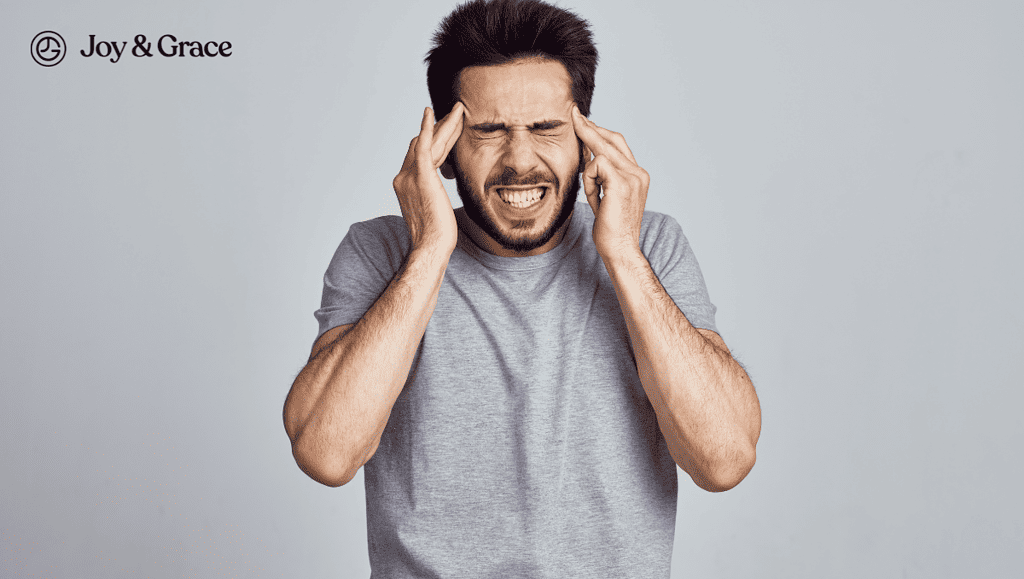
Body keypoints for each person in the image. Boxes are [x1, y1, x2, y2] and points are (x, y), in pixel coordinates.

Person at [283, 0, 761, 576]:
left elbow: (724, 460)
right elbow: (326, 454)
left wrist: (623, 257)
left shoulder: (648, 245)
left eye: (546, 128)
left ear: (587, 137)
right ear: (445, 150)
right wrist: (431, 249)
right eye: (488, 131)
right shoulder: (382, 251)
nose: (520, 160)